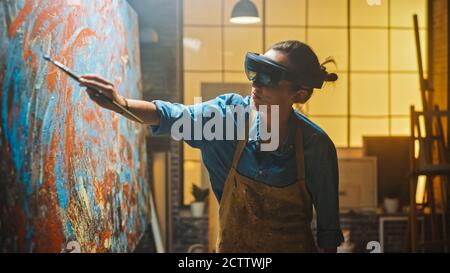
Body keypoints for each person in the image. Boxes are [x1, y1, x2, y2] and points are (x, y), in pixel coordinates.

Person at [79, 40, 344, 253]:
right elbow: (171, 115)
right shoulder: (226, 118)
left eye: (270, 77)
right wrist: (120, 103)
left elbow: (328, 230)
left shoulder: (316, 146)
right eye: (255, 72)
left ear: (299, 94)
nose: (255, 83)